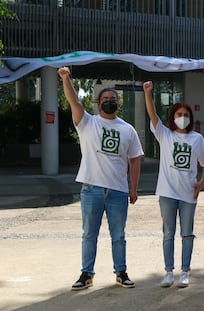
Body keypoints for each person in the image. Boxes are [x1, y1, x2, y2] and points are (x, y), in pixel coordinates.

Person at [58, 67, 144, 291]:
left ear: (119, 103)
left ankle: (121, 272)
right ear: (98, 103)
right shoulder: (88, 122)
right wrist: (66, 79)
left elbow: (135, 161)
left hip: (117, 191)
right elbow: (74, 101)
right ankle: (86, 273)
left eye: (113, 99)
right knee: (89, 234)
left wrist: (133, 188)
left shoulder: (128, 130)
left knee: (119, 235)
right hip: (92, 189)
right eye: (105, 98)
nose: (109, 101)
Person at [143, 81, 204, 288]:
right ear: (173, 117)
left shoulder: (197, 139)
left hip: (188, 194)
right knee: (168, 233)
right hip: (167, 192)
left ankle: (185, 271)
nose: (182, 118)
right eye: (179, 114)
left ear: (190, 118)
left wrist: (201, 183)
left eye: (186, 115)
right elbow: (153, 116)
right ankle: (169, 271)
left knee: (187, 233)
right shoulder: (165, 134)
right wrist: (148, 93)